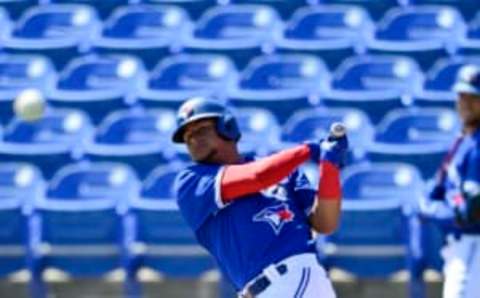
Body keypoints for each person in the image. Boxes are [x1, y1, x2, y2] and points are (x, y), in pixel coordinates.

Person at [172, 97, 348, 298]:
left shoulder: (285, 172)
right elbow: (258, 177)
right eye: (187, 137)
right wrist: (308, 149)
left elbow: (325, 223)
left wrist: (329, 166)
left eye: (201, 130)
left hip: (295, 278)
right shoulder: (191, 181)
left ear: (226, 127)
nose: (194, 139)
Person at [421, 64, 480, 298]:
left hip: (473, 245)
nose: (465, 102)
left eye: (473, 97)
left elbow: (471, 211)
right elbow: (446, 187)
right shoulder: (465, 138)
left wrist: (434, 210)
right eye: (461, 96)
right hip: (462, 246)